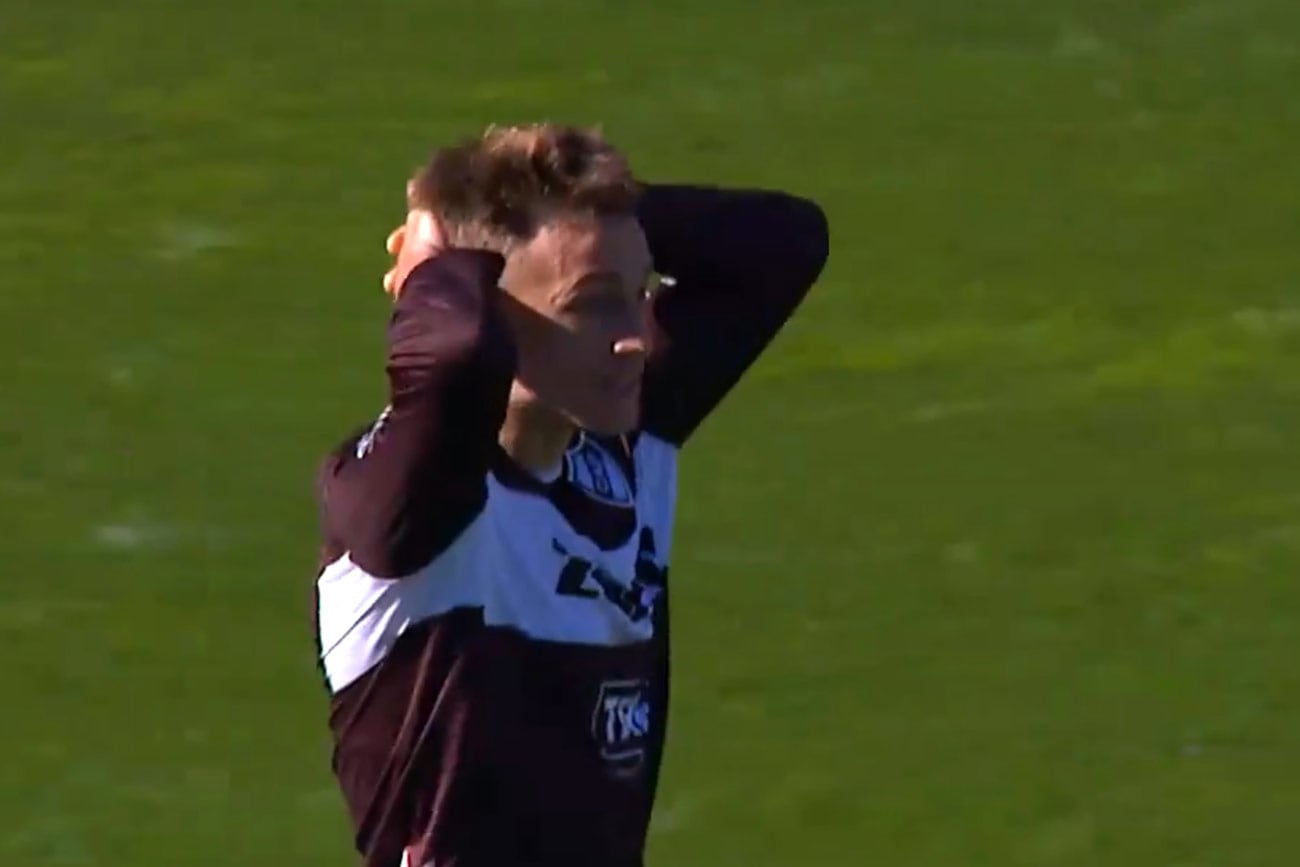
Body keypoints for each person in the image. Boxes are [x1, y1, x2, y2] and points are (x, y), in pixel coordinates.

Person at [313, 123, 830, 867]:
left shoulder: (623, 448)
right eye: (591, 304)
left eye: (640, 296)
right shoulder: (414, 505)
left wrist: (604, 222)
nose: (636, 338)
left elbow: (785, 242)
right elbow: (455, 356)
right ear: (492, 311)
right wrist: (436, 254)